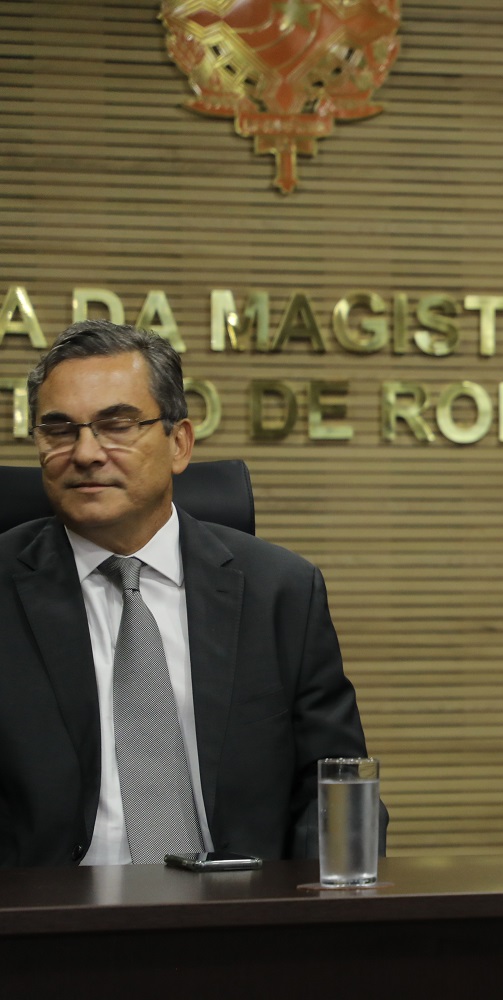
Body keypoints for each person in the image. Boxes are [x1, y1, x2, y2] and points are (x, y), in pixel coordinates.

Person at [0, 320, 377, 867]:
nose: (85, 453)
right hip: (44, 912)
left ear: (179, 443)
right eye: (59, 430)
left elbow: (334, 788)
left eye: (116, 425)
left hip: (241, 907)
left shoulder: (281, 592)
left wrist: (315, 907)